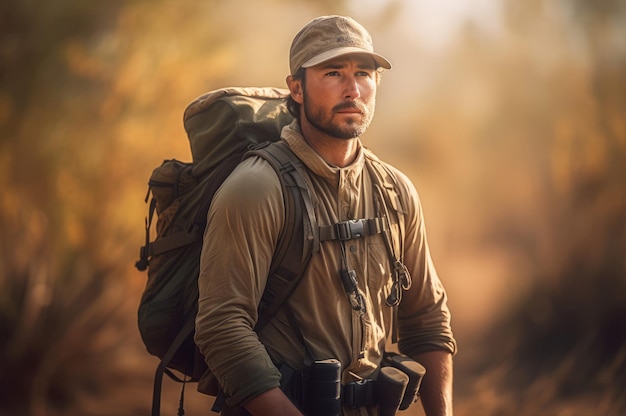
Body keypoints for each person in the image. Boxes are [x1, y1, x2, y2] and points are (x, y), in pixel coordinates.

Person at [195, 15, 457, 416]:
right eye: (333, 72)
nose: (353, 89)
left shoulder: (395, 191)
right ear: (296, 88)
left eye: (364, 74)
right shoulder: (257, 188)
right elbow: (222, 327)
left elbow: (427, 318)